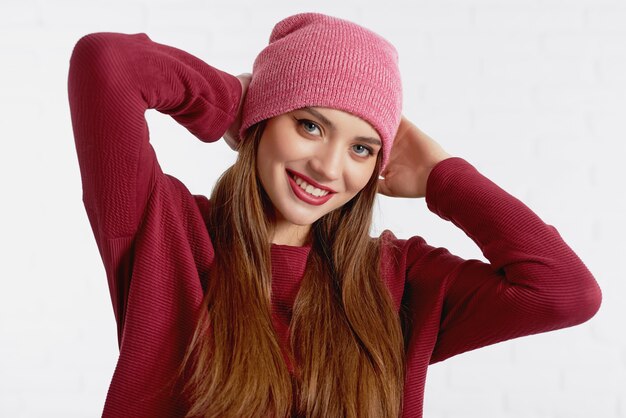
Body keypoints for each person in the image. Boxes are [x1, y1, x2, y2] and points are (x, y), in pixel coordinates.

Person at [68, 12, 601, 418]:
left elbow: (565, 292)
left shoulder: (397, 281)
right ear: (264, 120)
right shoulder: (165, 232)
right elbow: (106, 61)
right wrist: (233, 101)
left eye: (363, 149)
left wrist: (443, 175)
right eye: (310, 125)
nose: (328, 167)